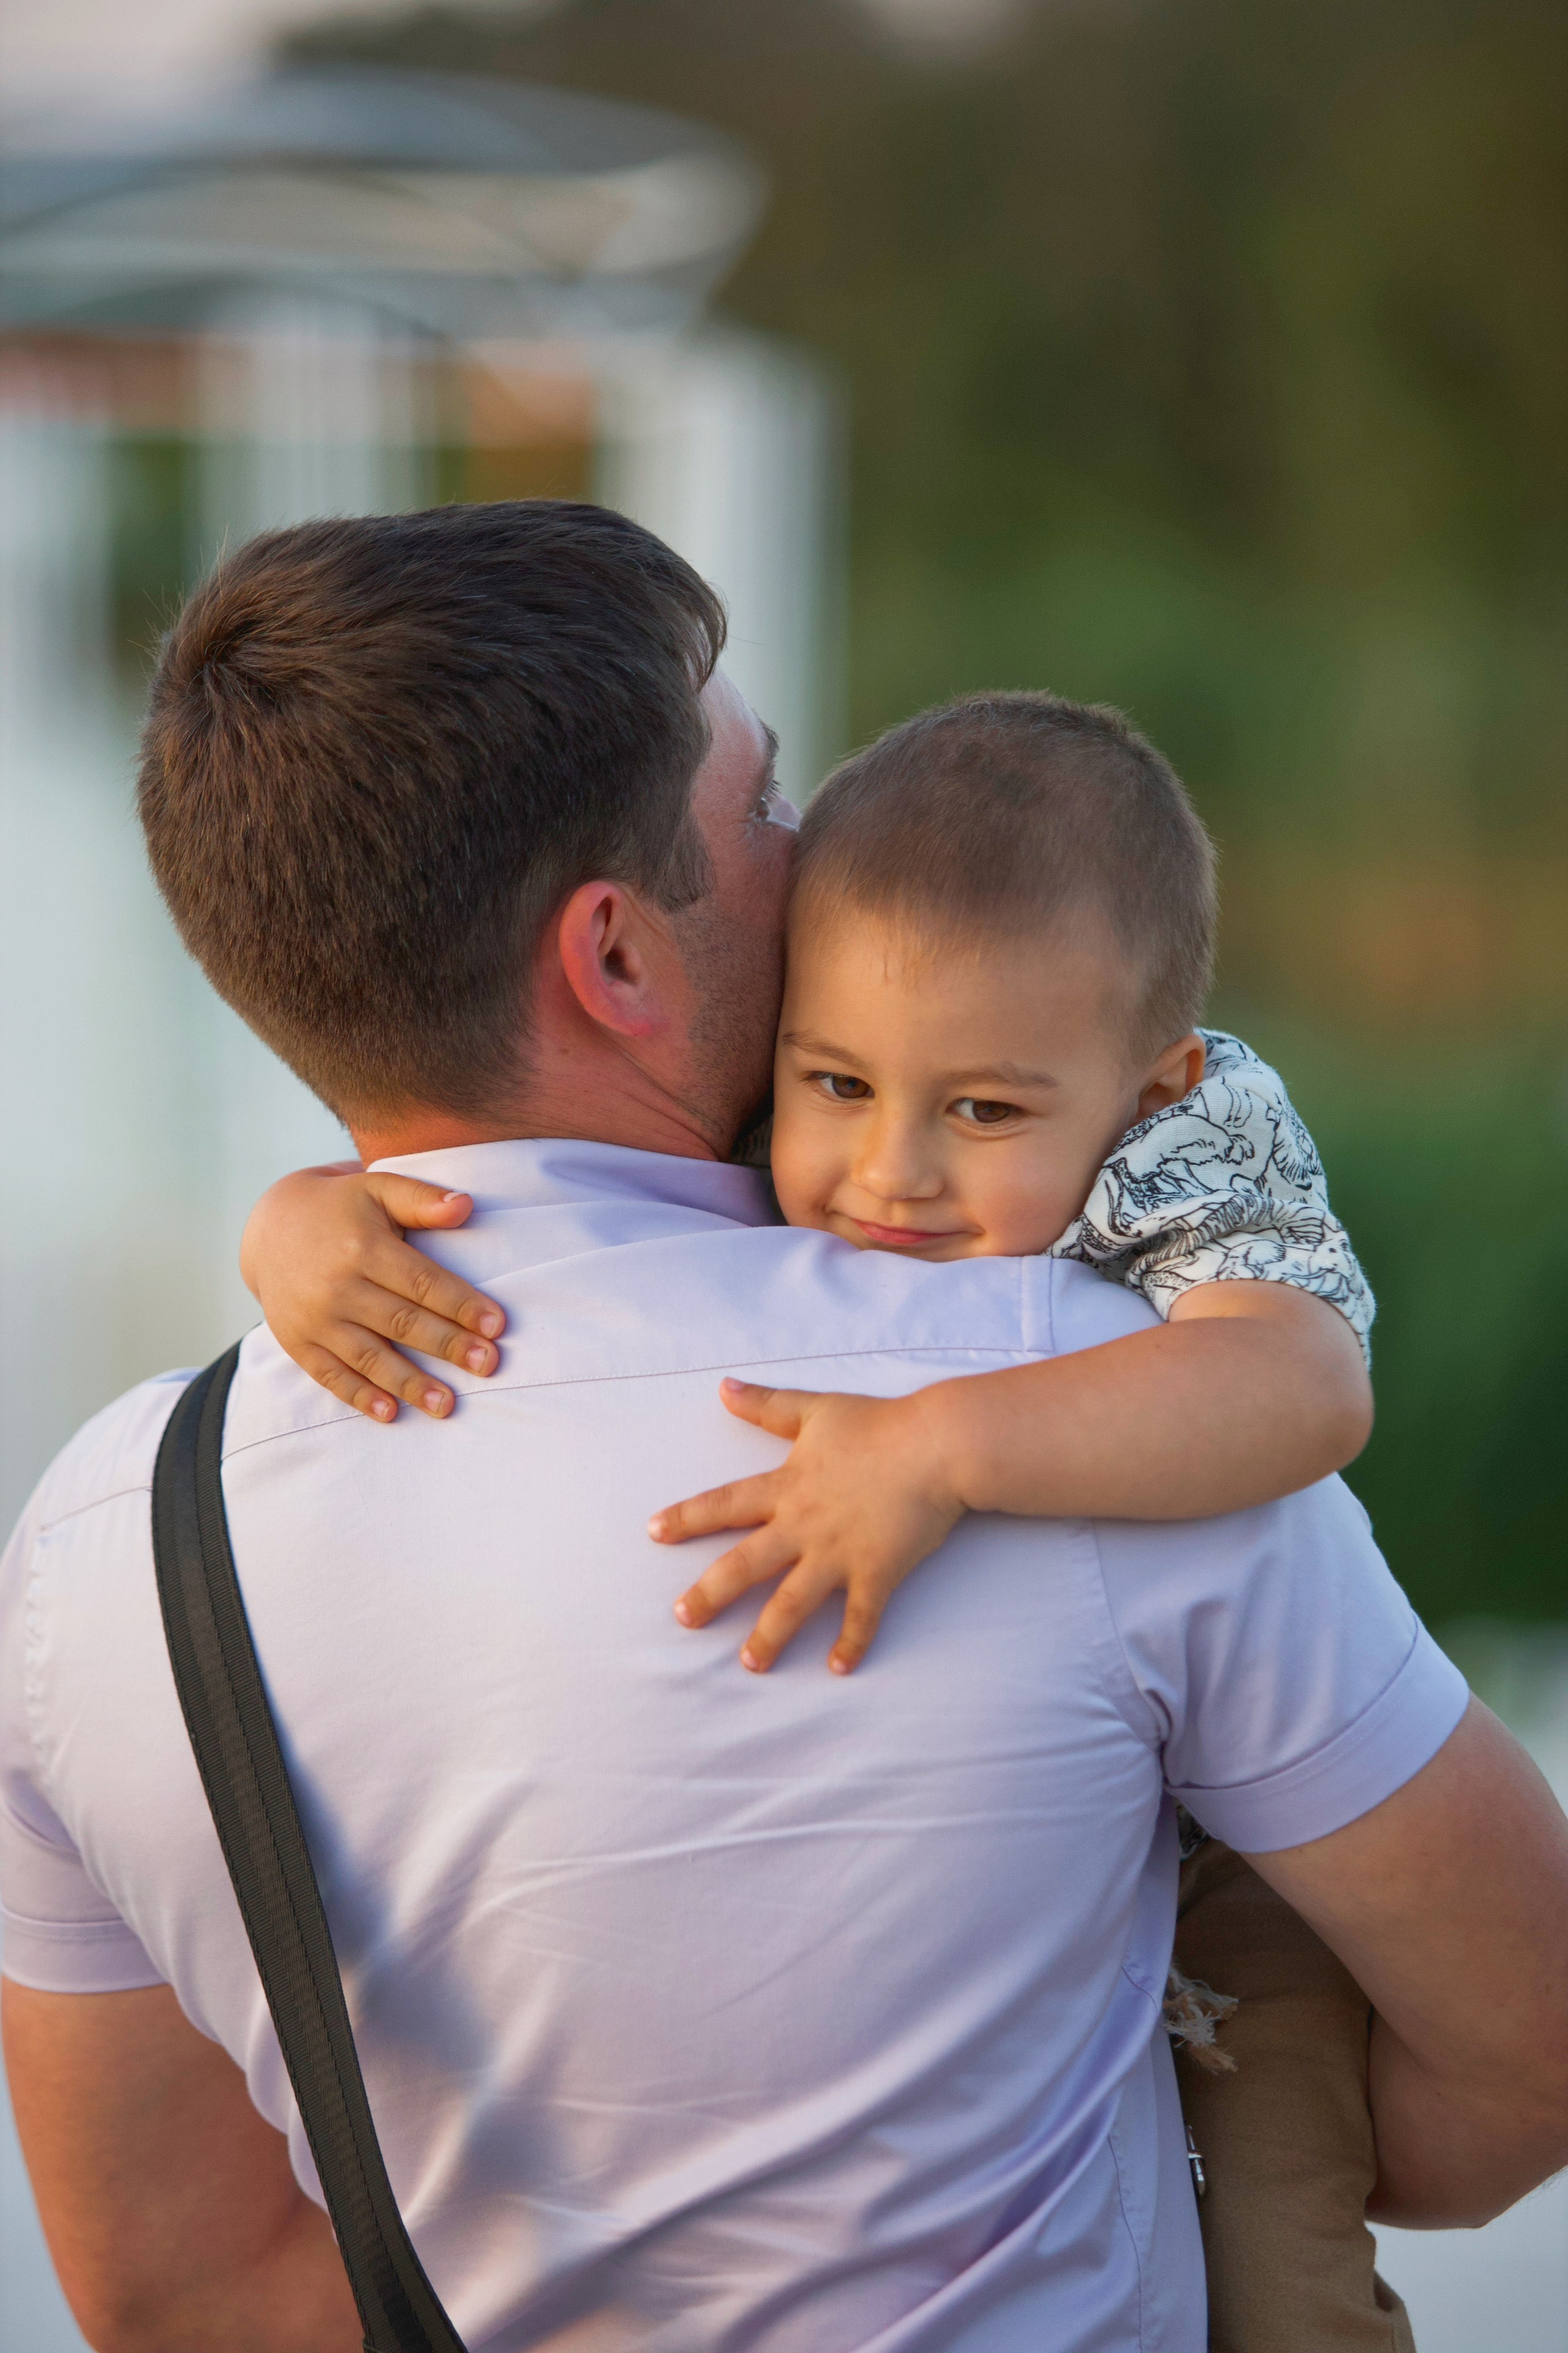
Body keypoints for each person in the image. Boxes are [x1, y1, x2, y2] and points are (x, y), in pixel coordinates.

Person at [2, 503, 1566, 2353]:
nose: (817, 843)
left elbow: (179, 2294)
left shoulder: (110, 1538)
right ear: (617, 958)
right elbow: (1531, 2037)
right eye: (759, 809)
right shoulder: (1086, 1397)